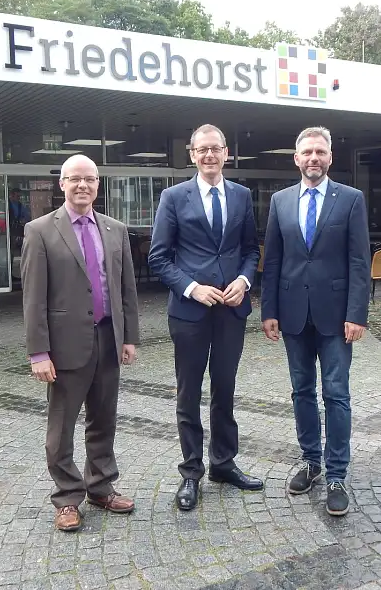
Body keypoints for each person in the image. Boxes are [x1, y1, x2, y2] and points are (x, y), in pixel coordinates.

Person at [21, 154, 140, 532]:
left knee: (103, 419)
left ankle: (101, 487)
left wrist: (129, 337)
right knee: (61, 427)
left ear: (98, 184)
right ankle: (67, 497)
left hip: (108, 338)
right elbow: (33, 298)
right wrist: (39, 352)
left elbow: (126, 289)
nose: (82, 185)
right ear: (62, 184)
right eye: (74, 179)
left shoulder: (115, 229)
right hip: (65, 346)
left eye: (89, 179)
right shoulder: (40, 231)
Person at [148, 124, 262, 511]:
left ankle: (223, 463)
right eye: (202, 149)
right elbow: (159, 257)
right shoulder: (173, 197)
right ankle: (191, 472)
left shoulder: (242, 196)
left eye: (215, 148)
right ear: (192, 154)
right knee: (189, 392)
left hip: (231, 309)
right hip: (189, 312)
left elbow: (250, 249)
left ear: (226, 153)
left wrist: (244, 281)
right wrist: (192, 287)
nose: (209, 155)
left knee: (225, 389)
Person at [260, 126, 370, 516]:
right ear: (296, 158)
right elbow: (273, 260)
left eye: (320, 152)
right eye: (307, 152)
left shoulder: (351, 199)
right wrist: (269, 310)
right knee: (302, 391)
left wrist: (357, 314)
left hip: (336, 318)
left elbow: (360, 262)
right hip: (293, 315)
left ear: (330, 157)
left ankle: (337, 474)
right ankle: (311, 462)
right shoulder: (280, 201)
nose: (313, 158)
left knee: (336, 393)